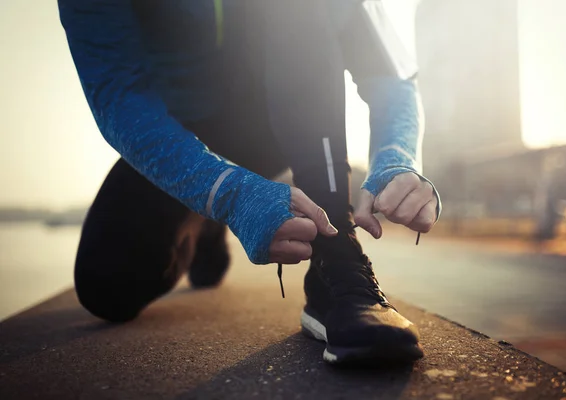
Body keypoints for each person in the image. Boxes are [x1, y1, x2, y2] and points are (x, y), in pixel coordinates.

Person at [58, 0, 441, 365]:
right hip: (177, 137)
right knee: (106, 287)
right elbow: (117, 96)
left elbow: (390, 70)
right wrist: (227, 193)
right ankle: (205, 226)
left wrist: (396, 157)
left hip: (281, 125)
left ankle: (336, 256)